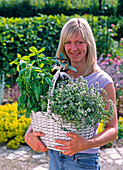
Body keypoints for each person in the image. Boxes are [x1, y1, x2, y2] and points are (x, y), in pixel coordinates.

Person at [25, 18, 118, 170]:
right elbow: (44, 112)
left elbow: (112, 130)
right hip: (55, 157)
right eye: (68, 42)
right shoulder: (56, 75)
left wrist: (87, 143)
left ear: (88, 44)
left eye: (79, 42)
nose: (73, 48)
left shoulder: (102, 81)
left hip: (83, 160)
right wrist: (29, 134)